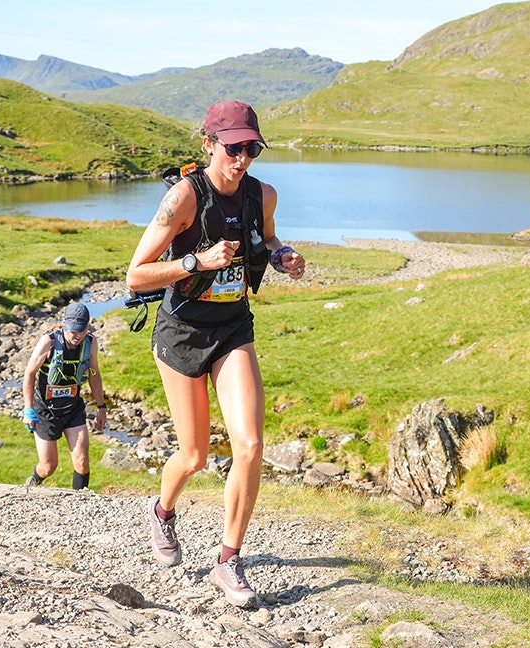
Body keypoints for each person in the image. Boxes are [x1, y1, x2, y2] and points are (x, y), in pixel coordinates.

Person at [125, 100, 306, 608]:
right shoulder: (183, 198)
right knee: (195, 455)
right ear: (209, 144)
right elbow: (136, 273)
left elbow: (265, 238)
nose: (243, 158)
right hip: (181, 333)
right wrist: (194, 260)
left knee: (249, 445)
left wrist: (281, 255)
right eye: (234, 148)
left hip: (232, 328)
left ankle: (228, 560)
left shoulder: (263, 194)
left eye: (251, 148)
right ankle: (162, 511)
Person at [21, 302, 106, 490]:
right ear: (63, 323)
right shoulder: (49, 341)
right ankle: (31, 485)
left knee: (82, 461)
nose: (76, 336)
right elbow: (29, 373)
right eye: (72, 331)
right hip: (46, 411)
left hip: (73, 408)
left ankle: (80, 503)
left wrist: (101, 407)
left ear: (87, 325)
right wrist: (28, 409)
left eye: (81, 330)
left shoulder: (90, 343)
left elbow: (94, 374)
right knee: (48, 467)